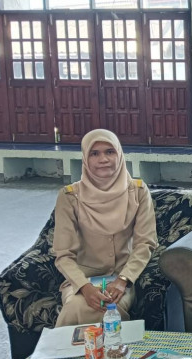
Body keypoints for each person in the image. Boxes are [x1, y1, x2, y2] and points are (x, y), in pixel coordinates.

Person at [53, 129, 158, 327]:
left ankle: (112, 350)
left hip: (122, 278)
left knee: (111, 308)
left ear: (120, 154)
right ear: (85, 159)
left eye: (110, 152)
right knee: (77, 305)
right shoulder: (70, 197)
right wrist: (84, 287)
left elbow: (145, 243)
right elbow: (63, 254)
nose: (103, 159)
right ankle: (66, 350)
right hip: (81, 279)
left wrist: (123, 280)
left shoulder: (138, 192)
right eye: (94, 153)